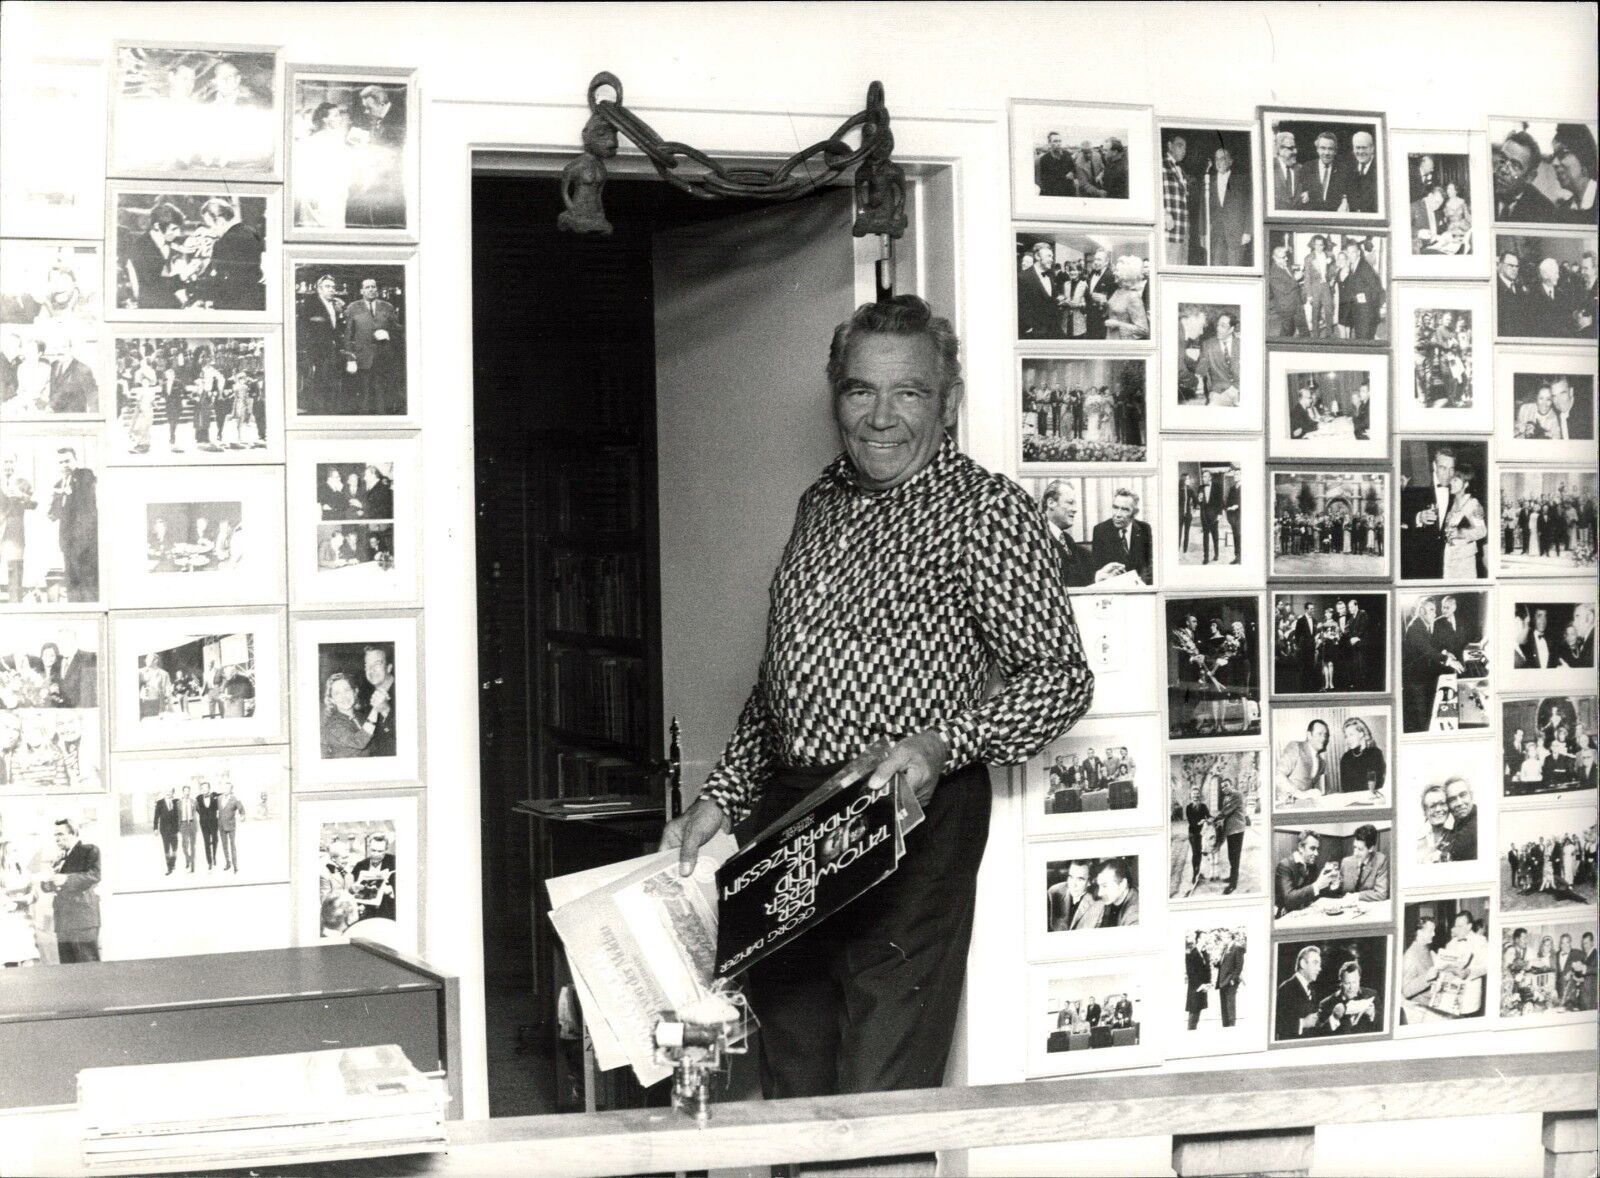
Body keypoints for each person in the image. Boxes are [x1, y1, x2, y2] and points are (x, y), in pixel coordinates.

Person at [660, 296, 1093, 1100]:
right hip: (794, 811)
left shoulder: (986, 511)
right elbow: (781, 676)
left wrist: (939, 746)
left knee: (878, 1082)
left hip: (909, 815)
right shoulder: (820, 502)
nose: (881, 417)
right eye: (861, 391)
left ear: (949, 401)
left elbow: (1061, 679)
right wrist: (723, 796)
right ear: (837, 397)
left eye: (910, 393)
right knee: (790, 1069)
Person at [343, 277, 404, 414]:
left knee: (382, 394)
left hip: (383, 358)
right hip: (362, 358)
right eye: (367, 287)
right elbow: (348, 335)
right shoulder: (353, 307)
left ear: (377, 289)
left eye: (373, 286)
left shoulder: (387, 307)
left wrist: (388, 334)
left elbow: (399, 331)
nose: (371, 289)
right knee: (363, 395)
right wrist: (350, 358)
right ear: (361, 291)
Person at [43, 817, 99, 963]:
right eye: (55, 835)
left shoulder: (89, 850)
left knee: (89, 969)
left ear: (73, 833)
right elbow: (52, 884)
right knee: (68, 972)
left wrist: (66, 878)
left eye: (60, 834)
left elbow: (94, 875)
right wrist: (48, 882)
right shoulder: (60, 858)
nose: (56, 839)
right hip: (63, 922)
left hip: (82, 922)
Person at [1400, 447, 1459, 581]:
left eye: (1452, 469)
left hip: (1446, 563)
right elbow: (1401, 515)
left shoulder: (1457, 489)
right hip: (1418, 562)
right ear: (1434, 466)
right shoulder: (1415, 485)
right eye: (1443, 468)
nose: (1448, 474)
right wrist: (1419, 517)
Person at [49, 446, 97, 602]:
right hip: (67, 545)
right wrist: (55, 497)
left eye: (68, 461)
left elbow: (84, 493)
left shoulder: (84, 475)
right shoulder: (58, 484)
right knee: (72, 588)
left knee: (88, 587)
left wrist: (68, 490)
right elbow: (53, 515)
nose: (65, 465)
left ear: (75, 460)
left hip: (85, 545)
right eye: (61, 462)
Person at [298, 274, 348, 415]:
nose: (331, 290)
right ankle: (317, 413)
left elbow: (337, 328)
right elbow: (302, 328)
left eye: (333, 287)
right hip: (316, 352)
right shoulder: (310, 304)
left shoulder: (335, 305)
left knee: (331, 383)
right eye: (327, 287)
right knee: (317, 383)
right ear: (319, 289)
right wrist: (306, 351)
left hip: (333, 351)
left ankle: (329, 411)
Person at [1089, 487, 1153, 585]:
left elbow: (1149, 566)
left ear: (1135, 513)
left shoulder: (1145, 529)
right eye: (1115, 507)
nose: (1117, 514)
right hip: (1113, 588)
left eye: (1124, 509)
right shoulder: (1100, 531)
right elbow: (1097, 568)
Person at [1494, 129, 1557, 223]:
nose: (1503, 170)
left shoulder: (1545, 211)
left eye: (1515, 165)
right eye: (1503, 158)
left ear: (1530, 177)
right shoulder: (1479, 187)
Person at [320, 671, 385, 758]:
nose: (344, 697)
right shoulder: (332, 725)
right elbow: (359, 741)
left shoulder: (361, 717)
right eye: (337, 693)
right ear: (332, 700)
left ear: (355, 692)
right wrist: (375, 709)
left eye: (347, 690)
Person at [1206, 147, 1252, 267]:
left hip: (1236, 235)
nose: (1218, 161)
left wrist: (1248, 231)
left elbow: (1249, 207)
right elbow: (1203, 209)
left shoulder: (1242, 181)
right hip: (1216, 234)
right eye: (1216, 158)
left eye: (1222, 158)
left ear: (1230, 161)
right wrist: (1203, 233)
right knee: (1217, 268)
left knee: (1235, 268)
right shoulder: (1208, 182)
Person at [1275, 829, 1339, 916]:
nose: (1316, 853)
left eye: (1317, 849)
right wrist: (1318, 885)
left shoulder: (1312, 866)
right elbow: (1288, 899)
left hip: (1306, 913)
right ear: (1301, 848)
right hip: (1287, 916)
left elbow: (1316, 893)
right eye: (1312, 848)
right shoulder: (1284, 865)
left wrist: (1332, 885)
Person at [1441, 464, 1487, 581]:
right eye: (1451, 480)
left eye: (1456, 480)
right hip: (1449, 556)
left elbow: (1482, 531)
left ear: (1466, 484)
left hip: (1464, 561)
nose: (1451, 483)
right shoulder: (1449, 502)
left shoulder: (1472, 503)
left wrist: (1461, 533)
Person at [1338, 239, 1385, 341]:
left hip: (1366, 313)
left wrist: (1363, 297)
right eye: (1348, 253)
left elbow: (1377, 289)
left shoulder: (1364, 267)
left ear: (1358, 253)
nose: (1350, 255)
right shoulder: (1353, 265)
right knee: (1361, 339)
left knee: (1363, 340)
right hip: (1359, 311)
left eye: (1353, 252)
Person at [1318, 960, 1379, 1035]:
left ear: (1359, 980)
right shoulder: (1326, 1003)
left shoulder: (1371, 995)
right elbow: (1319, 1033)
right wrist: (1334, 1018)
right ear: (1340, 983)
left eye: (1354, 982)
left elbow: (1385, 1024)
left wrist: (1372, 1014)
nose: (1351, 987)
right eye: (1347, 983)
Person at [1276, 720, 1329, 805]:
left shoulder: (1321, 762)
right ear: (1309, 735)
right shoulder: (1296, 747)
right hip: (1286, 804)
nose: (1323, 738)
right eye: (1319, 734)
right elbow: (1278, 774)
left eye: (1325, 735)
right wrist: (1300, 794)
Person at [1017, 242, 1063, 340]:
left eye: (1052, 256)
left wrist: (1057, 300)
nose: (1052, 259)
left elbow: (1049, 300)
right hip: (1035, 334)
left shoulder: (1050, 276)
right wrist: (1029, 327)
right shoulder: (1023, 277)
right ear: (1037, 256)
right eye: (1049, 256)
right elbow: (1020, 307)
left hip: (1052, 331)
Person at [1275, 945, 1322, 1040]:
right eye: (1315, 963)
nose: (1319, 968)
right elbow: (1276, 1023)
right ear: (1303, 964)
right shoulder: (1287, 988)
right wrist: (1303, 1023)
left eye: (1319, 964)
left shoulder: (1311, 990)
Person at [1336, 824, 1389, 903]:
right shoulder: (1346, 861)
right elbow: (1339, 890)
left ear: (1371, 848)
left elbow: (1381, 894)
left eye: (1360, 849)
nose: (1355, 853)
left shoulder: (1380, 860)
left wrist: (1356, 896)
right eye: (1354, 847)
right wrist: (1333, 886)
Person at [1196, 313, 1241, 405]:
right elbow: (1201, 369)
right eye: (1218, 325)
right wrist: (1199, 381)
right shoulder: (1208, 345)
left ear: (1231, 329)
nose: (1218, 328)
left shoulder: (1242, 344)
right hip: (1219, 392)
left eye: (1223, 326)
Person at [351, 832, 397, 921]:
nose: (376, 854)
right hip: (366, 914)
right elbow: (352, 888)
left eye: (380, 851)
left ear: (386, 849)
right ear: (368, 848)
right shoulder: (360, 865)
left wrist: (392, 891)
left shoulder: (395, 863)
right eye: (373, 850)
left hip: (388, 913)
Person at [1102, 256, 1149, 341]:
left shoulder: (1133, 296)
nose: (1113, 273)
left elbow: (1143, 330)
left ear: (1127, 273)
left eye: (1117, 270)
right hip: (1111, 337)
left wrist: (1118, 324)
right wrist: (1104, 303)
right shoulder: (1117, 291)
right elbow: (1114, 310)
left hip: (1122, 344)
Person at [1045, 860, 1098, 932]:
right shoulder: (1053, 892)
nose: (1073, 885)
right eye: (1071, 877)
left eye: (1080, 879)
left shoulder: (1098, 903)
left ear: (1089, 882)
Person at [1215, 775, 1247, 895]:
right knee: (1230, 855)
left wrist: (1215, 819)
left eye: (1226, 786)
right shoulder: (1226, 797)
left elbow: (1226, 811)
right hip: (1230, 830)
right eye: (1222, 787)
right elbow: (1226, 814)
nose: (1224, 789)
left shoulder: (1236, 795)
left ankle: (1233, 884)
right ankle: (1232, 877)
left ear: (1231, 785)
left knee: (1235, 856)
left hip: (1237, 830)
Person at [1339, 717, 1385, 795]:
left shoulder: (1375, 754)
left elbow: (1377, 784)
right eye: (1346, 736)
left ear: (1361, 733)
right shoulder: (1345, 758)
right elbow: (1345, 787)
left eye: (1351, 735)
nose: (1348, 740)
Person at [1161, 134, 1190, 264]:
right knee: (1170, 266)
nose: (1183, 150)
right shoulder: (1161, 164)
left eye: (1185, 147)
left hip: (1182, 230)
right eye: (1179, 146)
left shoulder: (1180, 170)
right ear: (1169, 146)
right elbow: (1153, 192)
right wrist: (1164, 213)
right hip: (1169, 230)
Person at [1268, 243, 1301, 338]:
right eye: (1283, 257)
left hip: (1294, 302)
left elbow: (1288, 273)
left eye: (1286, 256)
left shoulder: (1284, 264)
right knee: (1288, 331)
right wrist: (1295, 279)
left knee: (1289, 328)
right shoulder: (1273, 273)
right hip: (1285, 307)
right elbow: (1285, 289)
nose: (1286, 259)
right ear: (1275, 258)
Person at [1442, 775, 1478, 861]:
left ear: (1471, 796)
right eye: (1452, 799)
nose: (1459, 803)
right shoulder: (1458, 824)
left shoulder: (1479, 821)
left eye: (1463, 795)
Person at [1182, 783, 1211, 893]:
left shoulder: (1203, 806)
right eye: (1194, 794)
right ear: (1191, 795)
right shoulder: (1189, 808)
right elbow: (1191, 822)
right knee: (1195, 853)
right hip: (1193, 834)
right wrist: (1200, 822)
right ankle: (1195, 874)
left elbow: (1208, 816)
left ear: (1199, 795)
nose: (1196, 795)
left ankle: (1198, 872)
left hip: (1202, 834)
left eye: (1197, 794)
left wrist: (1210, 819)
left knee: (1200, 852)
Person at [1094, 858, 1138, 927]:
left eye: (1104, 886)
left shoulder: (1134, 914)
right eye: (1099, 886)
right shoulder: (1112, 901)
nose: (1099, 893)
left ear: (1123, 885)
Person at [217, 776, 245, 874]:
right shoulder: (219, 798)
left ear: (231, 789)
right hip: (221, 826)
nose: (226, 790)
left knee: (232, 846)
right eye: (224, 788)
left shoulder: (235, 799)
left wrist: (242, 816)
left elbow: (241, 809)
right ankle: (227, 863)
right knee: (224, 846)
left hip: (231, 826)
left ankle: (235, 866)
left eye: (228, 788)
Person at [1036, 131, 1077, 198]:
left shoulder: (1067, 154)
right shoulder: (1044, 159)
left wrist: (1072, 172)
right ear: (1049, 143)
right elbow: (1045, 182)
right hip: (1054, 194)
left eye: (1060, 141)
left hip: (1069, 192)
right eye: (1055, 141)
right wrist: (1064, 177)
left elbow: (1074, 169)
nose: (1058, 144)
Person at [152, 786, 181, 875]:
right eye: (167, 791)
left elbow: (179, 814)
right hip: (164, 830)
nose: (168, 793)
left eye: (170, 791)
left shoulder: (176, 802)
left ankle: (173, 862)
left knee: (175, 848)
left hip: (174, 829)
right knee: (167, 849)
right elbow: (156, 817)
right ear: (164, 792)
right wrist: (155, 828)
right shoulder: (160, 803)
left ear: (172, 793)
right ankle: (169, 867)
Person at [1184, 935, 1210, 1030]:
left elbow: (1207, 970)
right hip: (1195, 989)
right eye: (1204, 938)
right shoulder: (1191, 954)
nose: (1206, 940)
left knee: (1197, 1014)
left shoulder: (1203, 953)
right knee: (1193, 1014)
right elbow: (1191, 973)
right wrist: (1200, 985)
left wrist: (1208, 983)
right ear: (1198, 940)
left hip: (1202, 988)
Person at [195, 777, 220, 871]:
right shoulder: (198, 798)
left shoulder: (214, 795)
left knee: (215, 840)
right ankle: (209, 862)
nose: (204, 789)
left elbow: (221, 796)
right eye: (202, 788)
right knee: (206, 842)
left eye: (206, 788)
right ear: (201, 790)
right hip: (204, 824)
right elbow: (197, 809)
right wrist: (203, 815)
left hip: (214, 822)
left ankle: (214, 857)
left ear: (209, 788)